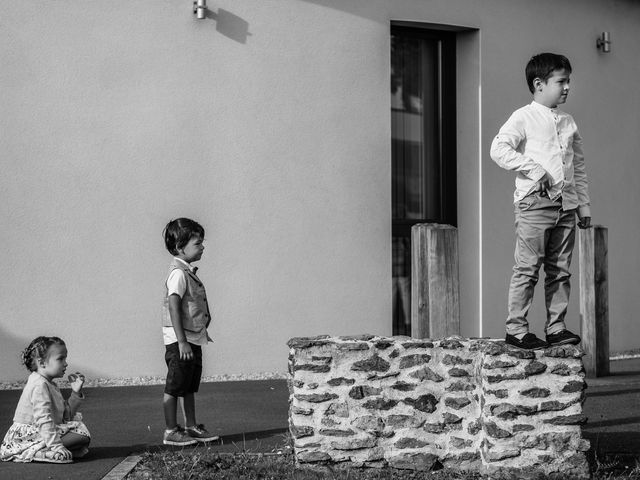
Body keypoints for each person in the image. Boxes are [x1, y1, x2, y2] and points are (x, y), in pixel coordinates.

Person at [490, 53, 591, 350]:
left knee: (560, 271)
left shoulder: (569, 122)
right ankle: (517, 329)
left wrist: (584, 207)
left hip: (567, 207)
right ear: (539, 83)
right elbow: (498, 149)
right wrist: (535, 169)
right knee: (527, 268)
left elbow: (579, 168)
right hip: (534, 203)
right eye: (561, 81)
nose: (567, 87)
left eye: (568, 81)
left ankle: (556, 327)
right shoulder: (524, 116)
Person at [161, 218, 218, 445]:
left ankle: (191, 426)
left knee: (189, 385)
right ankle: (170, 430)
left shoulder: (187, 272)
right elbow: (174, 304)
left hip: (192, 337)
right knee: (175, 385)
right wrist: (182, 341)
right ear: (179, 248)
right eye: (197, 243)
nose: (202, 246)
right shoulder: (178, 274)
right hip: (180, 339)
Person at [0, 337, 91, 463]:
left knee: (81, 436)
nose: (66, 363)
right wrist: (57, 445)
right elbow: (43, 419)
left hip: (41, 431)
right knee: (81, 437)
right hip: (29, 435)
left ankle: (45, 451)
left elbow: (66, 416)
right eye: (60, 359)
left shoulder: (48, 383)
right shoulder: (39, 385)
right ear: (42, 363)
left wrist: (75, 392)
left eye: (65, 358)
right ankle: (38, 452)